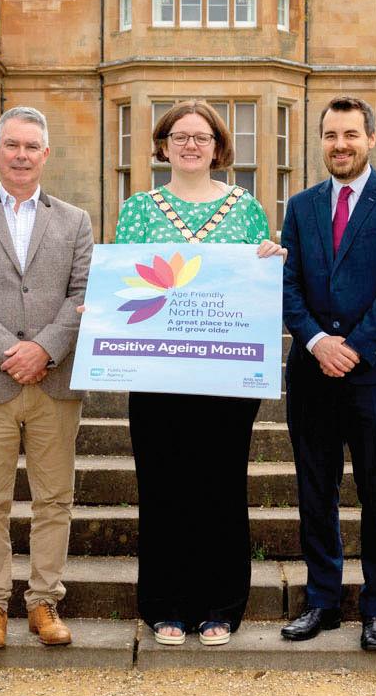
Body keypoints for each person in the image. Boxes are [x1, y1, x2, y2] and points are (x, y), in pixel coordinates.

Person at [114, 100, 285, 649]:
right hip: (157, 373)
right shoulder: (138, 209)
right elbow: (123, 281)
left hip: (226, 375)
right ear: (163, 146)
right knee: (162, 485)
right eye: (180, 137)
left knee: (221, 486)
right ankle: (164, 604)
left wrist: (271, 258)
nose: (191, 145)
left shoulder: (246, 209)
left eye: (202, 137)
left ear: (218, 147)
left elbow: (258, 288)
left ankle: (221, 605)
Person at [0, 106, 93, 652]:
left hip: (55, 380)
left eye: (31, 146)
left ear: (45, 154)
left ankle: (44, 600)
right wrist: (11, 352)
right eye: (12, 145)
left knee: (55, 499)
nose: (21, 155)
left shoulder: (75, 221)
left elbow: (83, 294)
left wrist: (44, 349)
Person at [280, 96, 376, 653]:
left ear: (370, 139)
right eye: (330, 135)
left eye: (349, 135)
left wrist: (355, 348)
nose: (339, 145)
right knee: (315, 491)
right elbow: (288, 285)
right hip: (312, 372)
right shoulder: (301, 206)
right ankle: (322, 601)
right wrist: (317, 341)